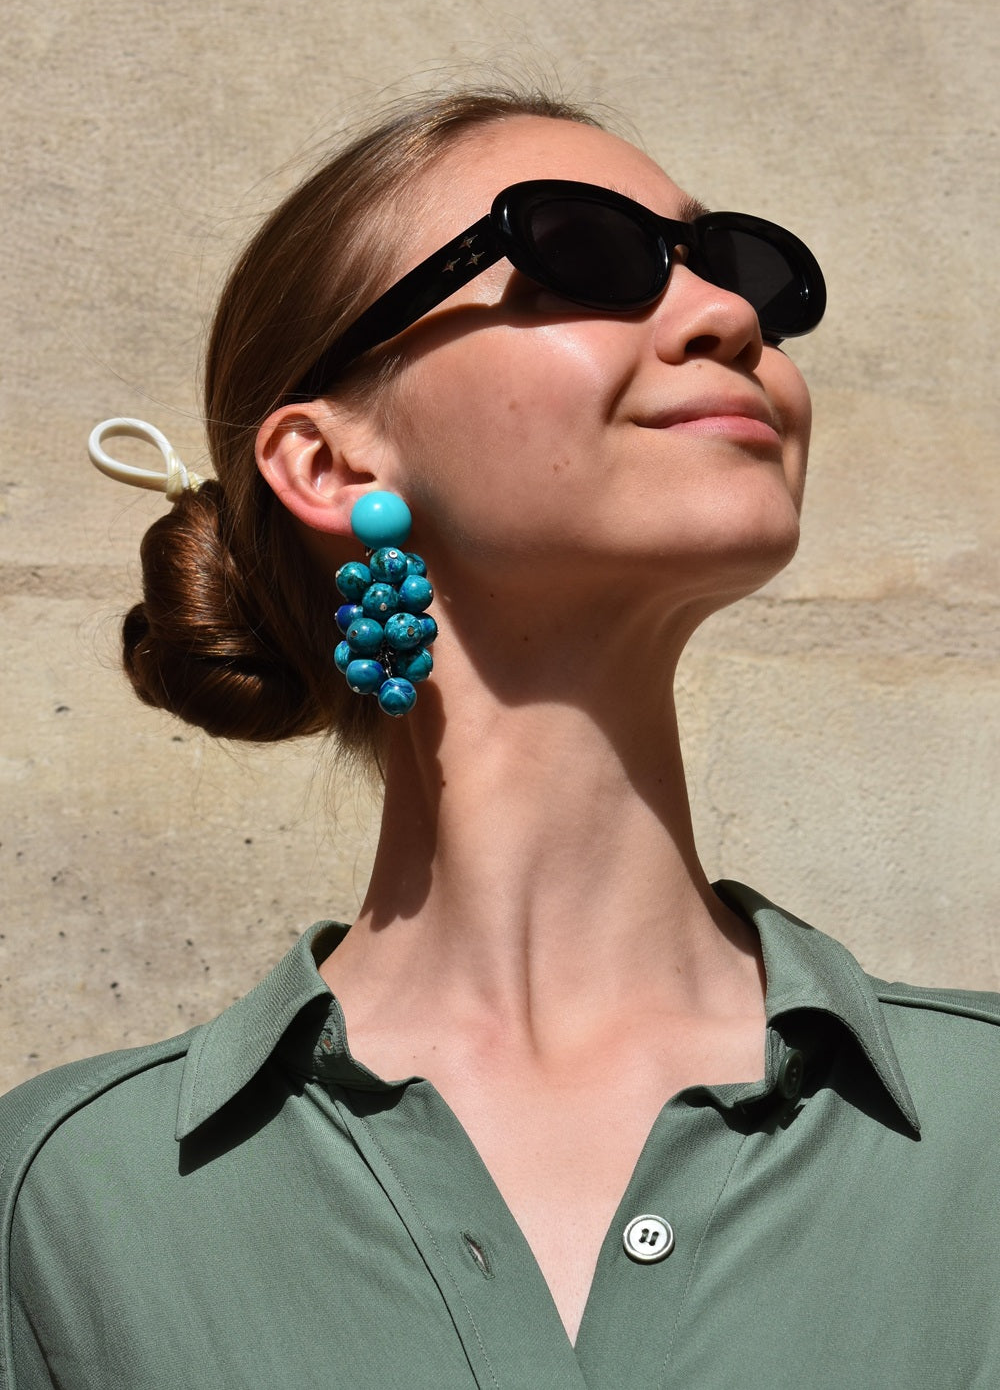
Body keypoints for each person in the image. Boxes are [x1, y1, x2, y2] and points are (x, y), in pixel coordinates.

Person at [3, 87, 999, 1390]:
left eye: (739, 265)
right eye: (583, 252)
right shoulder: (72, 1205)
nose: (728, 314)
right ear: (331, 465)